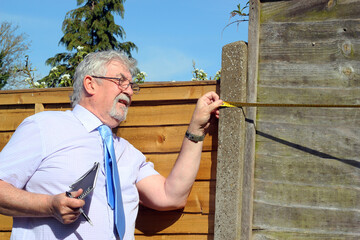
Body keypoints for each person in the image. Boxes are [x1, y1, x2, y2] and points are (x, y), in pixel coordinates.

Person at [0, 50, 222, 240]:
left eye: (132, 85)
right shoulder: (44, 126)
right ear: (90, 84)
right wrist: (49, 205)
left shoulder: (127, 153)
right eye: (120, 81)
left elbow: (171, 196)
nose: (129, 90)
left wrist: (196, 130)